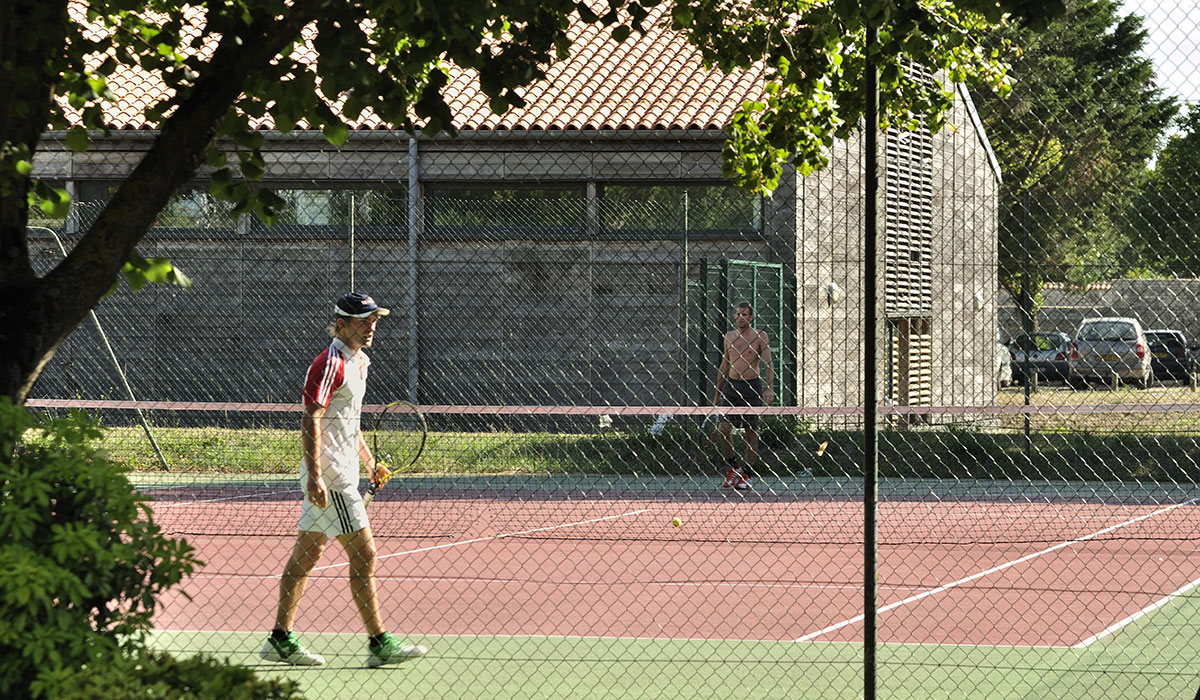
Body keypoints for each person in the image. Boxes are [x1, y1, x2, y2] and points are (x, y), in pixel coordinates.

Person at [261, 292, 427, 668]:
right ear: (341, 324)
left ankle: (279, 639)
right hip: (332, 477)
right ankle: (379, 643)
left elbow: (349, 421)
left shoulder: (359, 362)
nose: (371, 328)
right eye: (363, 321)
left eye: (374, 321)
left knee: (306, 557)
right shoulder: (329, 363)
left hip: (340, 472)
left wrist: (369, 462)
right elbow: (311, 417)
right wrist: (316, 476)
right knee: (365, 555)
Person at [712, 301, 775, 490]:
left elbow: (768, 364)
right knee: (723, 428)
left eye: (744, 314)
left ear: (751, 317)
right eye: (738, 314)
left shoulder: (760, 336)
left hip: (751, 388)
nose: (740, 317)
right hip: (731, 387)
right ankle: (734, 468)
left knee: (751, 432)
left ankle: (747, 474)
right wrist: (717, 394)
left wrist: (769, 388)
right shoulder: (729, 337)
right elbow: (724, 365)